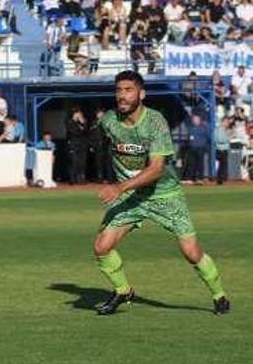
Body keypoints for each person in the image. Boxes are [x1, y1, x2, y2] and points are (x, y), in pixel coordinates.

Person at [91, 70, 229, 316]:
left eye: (128, 90)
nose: (122, 95)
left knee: (191, 252)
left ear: (141, 94)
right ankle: (123, 291)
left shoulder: (155, 122)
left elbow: (156, 169)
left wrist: (118, 187)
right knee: (102, 247)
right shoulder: (109, 120)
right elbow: (98, 136)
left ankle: (219, 295)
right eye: (118, 90)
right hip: (132, 198)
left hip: (164, 195)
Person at [183, 114, 209, 185]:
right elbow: (189, 138)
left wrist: (204, 145)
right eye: (193, 119)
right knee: (191, 163)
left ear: (199, 120)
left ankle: (200, 179)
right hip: (192, 148)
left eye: (196, 119)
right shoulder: (191, 128)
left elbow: (208, 137)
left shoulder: (204, 128)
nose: (194, 121)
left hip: (200, 148)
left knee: (200, 164)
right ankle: (190, 179)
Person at [66, 107, 88, 184]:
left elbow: (86, 131)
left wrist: (82, 123)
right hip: (73, 144)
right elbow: (73, 132)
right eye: (78, 113)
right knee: (74, 162)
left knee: (82, 162)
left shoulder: (82, 122)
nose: (80, 115)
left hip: (82, 145)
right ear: (75, 114)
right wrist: (80, 129)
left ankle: (81, 179)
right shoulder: (69, 122)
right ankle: (72, 179)